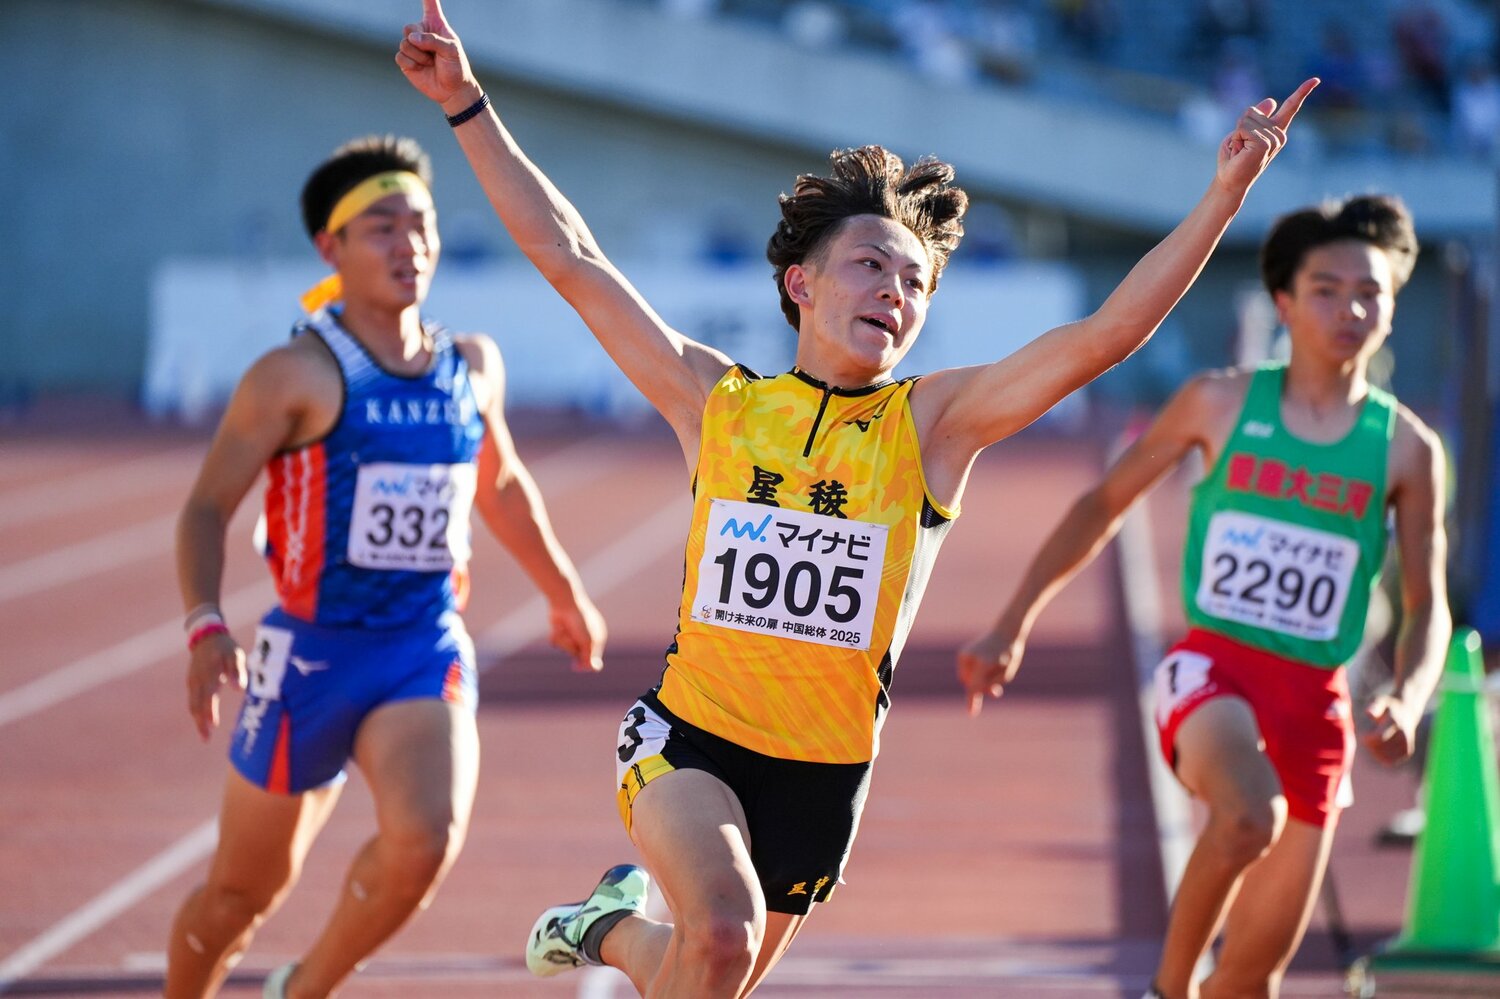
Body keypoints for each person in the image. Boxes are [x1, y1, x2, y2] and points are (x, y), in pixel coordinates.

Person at [396, 3, 1314, 994]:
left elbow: (1105, 338)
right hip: (690, 736)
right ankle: (631, 923)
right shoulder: (718, 401)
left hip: (824, 773)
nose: (895, 292)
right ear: (800, 281)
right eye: (871, 265)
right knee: (722, 933)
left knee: (709, 969)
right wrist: (465, 105)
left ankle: (614, 927)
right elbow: (570, 256)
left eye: (915, 283)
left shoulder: (933, 427)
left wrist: (1223, 196)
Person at [958, 193, 1450, 999]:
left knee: (1253, 978)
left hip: (1317, 702)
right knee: (1249, 815)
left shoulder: (1405, 448)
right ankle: (1166, 988)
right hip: (1214, 671)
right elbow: (1101, 505)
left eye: (1371, 293)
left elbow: (1427, 605)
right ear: (1284, 303)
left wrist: (1405, 692)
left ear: (1393, 309)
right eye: (1326, 289)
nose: (1350, 308)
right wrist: (1012, 623)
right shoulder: (1219, 402)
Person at [164, 134, 607, 999]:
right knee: (237, 897)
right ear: (330, 247)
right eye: (382, 228)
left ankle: (302, 989)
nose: (410, 245)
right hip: (311, 660)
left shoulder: (470, 366)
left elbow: (504, 486)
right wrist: (204, 623)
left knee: (424, 839)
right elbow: (206, 506)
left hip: (420, 648)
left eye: (422, 224)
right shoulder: (295, 375)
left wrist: (565, 592)